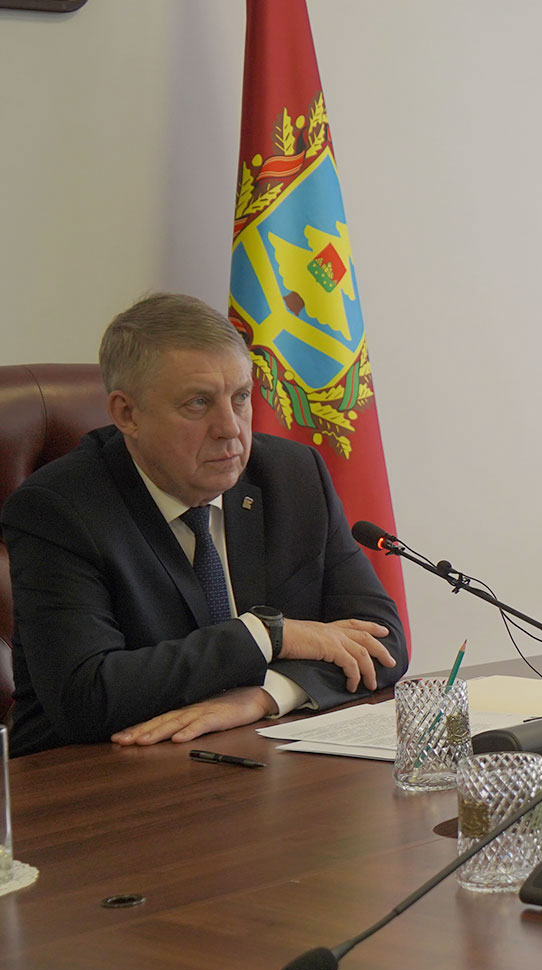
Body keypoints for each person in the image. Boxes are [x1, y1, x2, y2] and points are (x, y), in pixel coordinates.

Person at [2, 292, 408, 756]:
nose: (230, 427)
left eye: (240, 398)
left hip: (251, 758)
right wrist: (268, 636)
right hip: (94, 774)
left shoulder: (292, 475)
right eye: (198, 403)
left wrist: (264, 696)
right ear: (126, 414)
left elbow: (382, 643)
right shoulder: (59, 509)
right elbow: (87, 696)